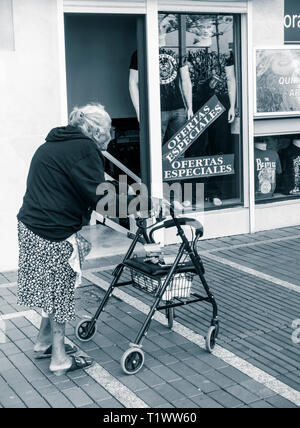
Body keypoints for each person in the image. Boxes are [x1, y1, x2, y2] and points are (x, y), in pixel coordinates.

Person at [17, 103, 117, 376]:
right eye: (108, 131)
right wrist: (145, 202)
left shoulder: (53, 144)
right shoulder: (84, 150)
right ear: (95, 131)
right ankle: (59, 358)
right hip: (53, 231)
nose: (110, 137)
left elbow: (85, 185)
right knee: (60, 290)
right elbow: (103, 200)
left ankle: (43, 342)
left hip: (30, 226)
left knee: (55, 286)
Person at [129, 14, 193, 143]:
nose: (160, 30)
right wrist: (139, 111)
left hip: (179, 108)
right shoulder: (141, 52)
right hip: (155, 109)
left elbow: (186, 80)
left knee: (178, 148)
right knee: (155, 148)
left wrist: (190, 107)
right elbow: (132, 82)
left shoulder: (176, 51)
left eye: (163, 26)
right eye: (157, 26)